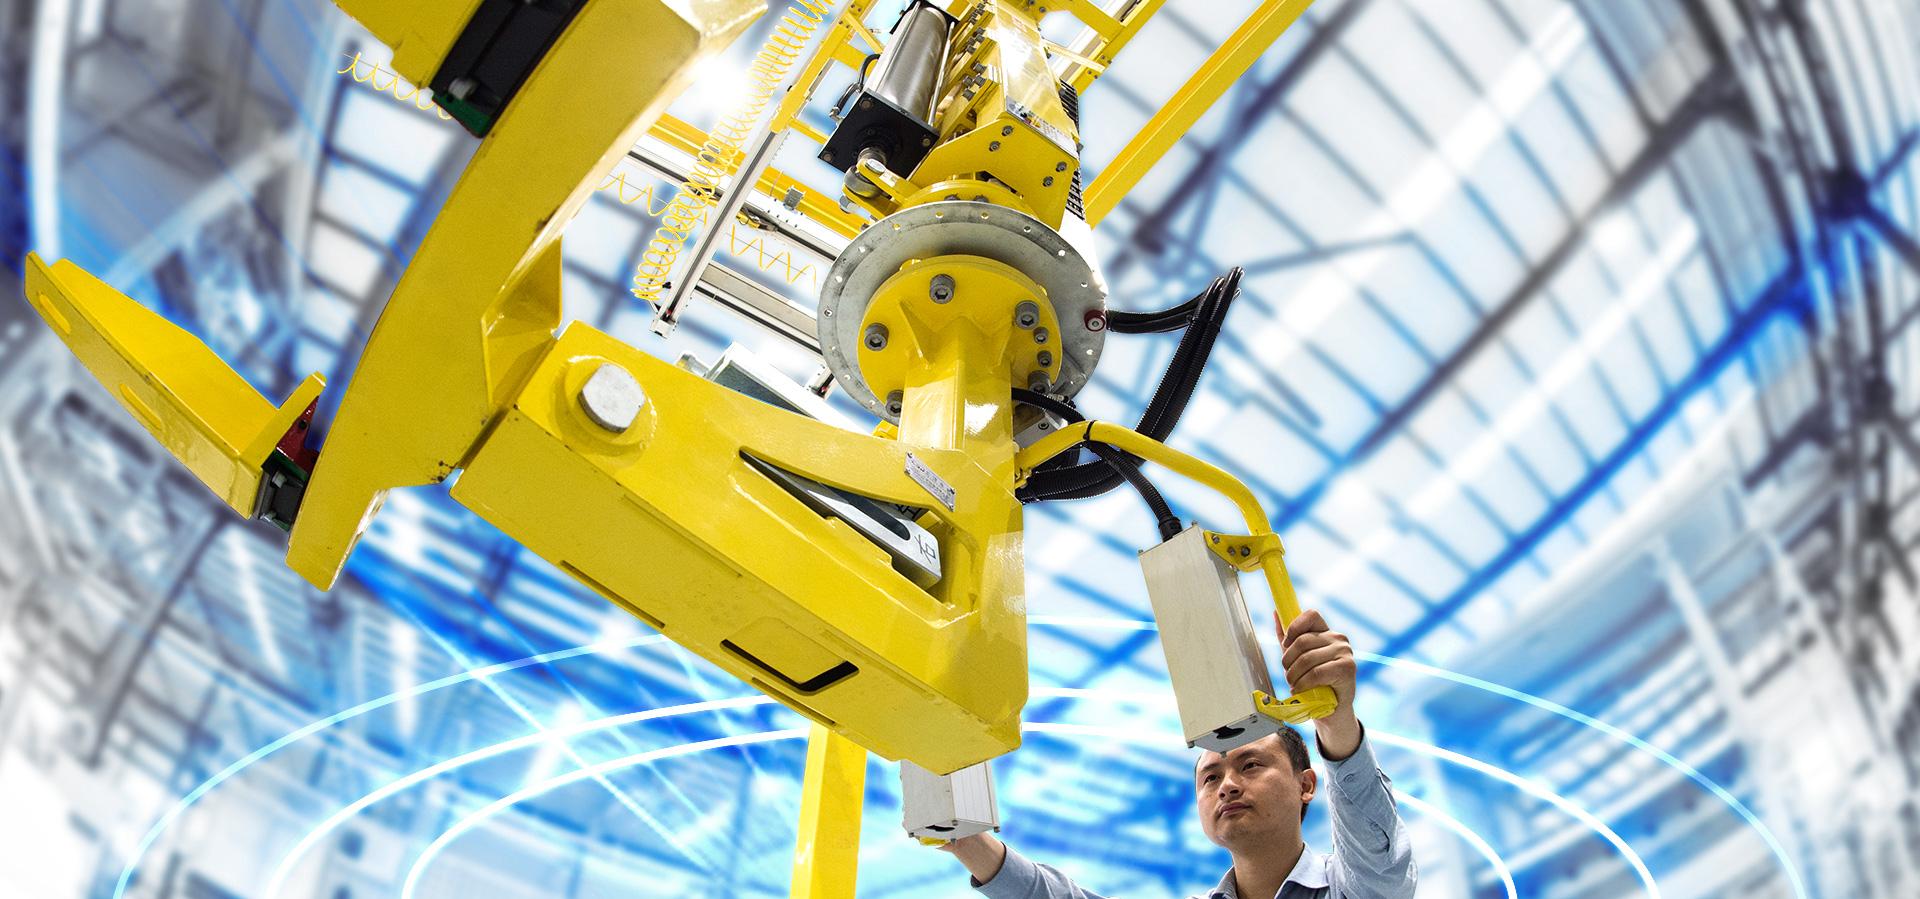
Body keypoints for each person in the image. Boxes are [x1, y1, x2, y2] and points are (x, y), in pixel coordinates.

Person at [936, 609, 1417, 899]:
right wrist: (966, 839)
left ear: (1306, 785)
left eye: (1250, 764)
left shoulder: (1358, 888)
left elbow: (1375, 852)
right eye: (1210, 778)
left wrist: (1334, 719)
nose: (1227, 785)